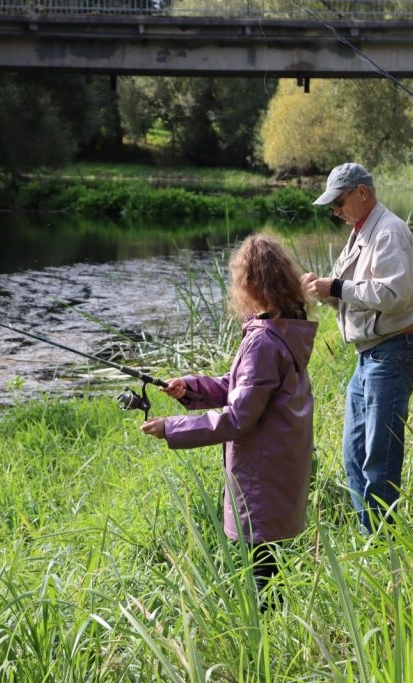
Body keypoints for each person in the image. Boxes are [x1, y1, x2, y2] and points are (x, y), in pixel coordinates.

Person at [140, 234, 317, 606]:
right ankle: (279, 641)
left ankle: (268, 653)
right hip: (281, 467)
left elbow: (238, 417)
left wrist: (171, 428)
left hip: (262, 476)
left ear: (250, 284)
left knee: (263, 578)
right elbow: (243, 387)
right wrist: (189, 389)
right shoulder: (285, 327)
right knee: (273, 572)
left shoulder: (263, 341)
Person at [301, 162, 413, 532]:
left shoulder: (389, 231)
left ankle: (385, 544)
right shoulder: (359, 233)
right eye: (332, 206)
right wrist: (323, 292)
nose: (335, 211)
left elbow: (393, 295)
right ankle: (370, 536)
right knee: (354, 456)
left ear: (362, 193)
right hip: (367, 357)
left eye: (339, 202)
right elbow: (355, 298)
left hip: (392, 352)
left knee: (379, 459)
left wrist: (336, 288)